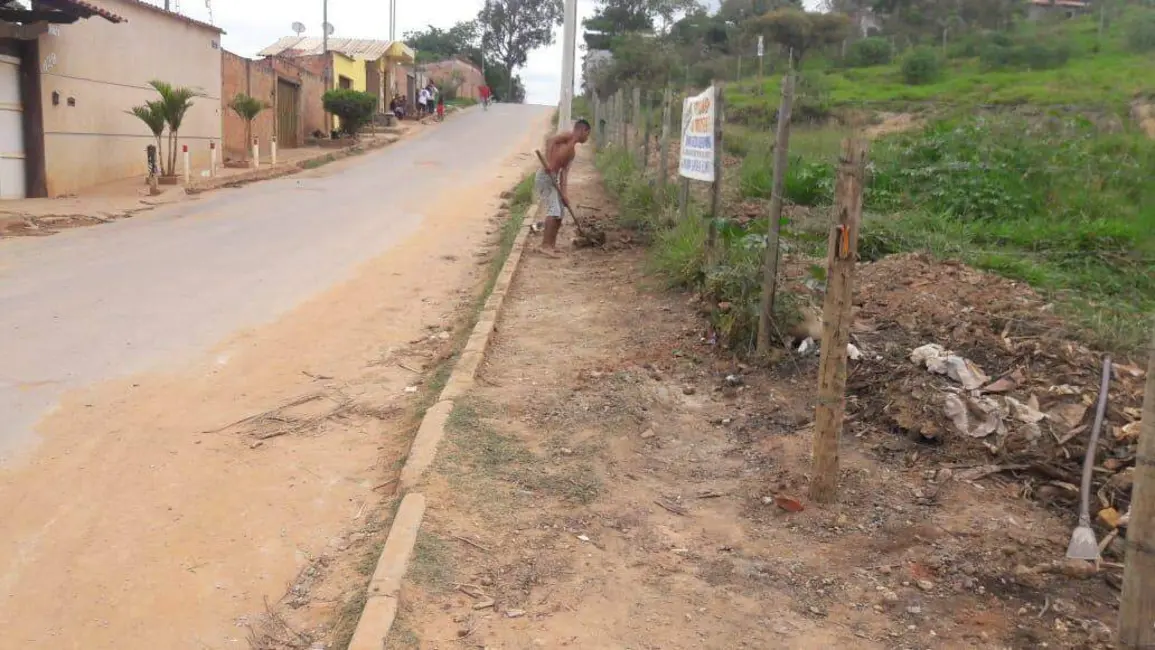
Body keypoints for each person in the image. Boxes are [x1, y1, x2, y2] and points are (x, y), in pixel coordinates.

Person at [534, 119, 592, 256]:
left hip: (553, 178)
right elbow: (550, 141)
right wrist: (548, 162)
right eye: (588, 134)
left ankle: (551, 245)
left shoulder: (572, 152)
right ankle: (545, 246)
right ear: (583, 130)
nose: (587, 138)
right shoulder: (566, 136)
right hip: (544, 176)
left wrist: (564, 194)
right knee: (554, 209)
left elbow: (564, 173)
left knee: (560, 212)